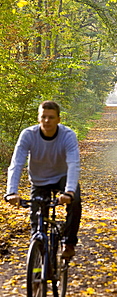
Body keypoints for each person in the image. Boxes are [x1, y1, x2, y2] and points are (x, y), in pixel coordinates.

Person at [4, 100, 81, 259]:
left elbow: (73, 164)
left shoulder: (67, 135)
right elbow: (16, 163)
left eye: (51, 117)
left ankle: (69, 242)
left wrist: (69, 192)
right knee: (37, 222)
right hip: (39, 180)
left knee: (75, 202)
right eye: (43, 117)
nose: (47, 121)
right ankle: (38, 264)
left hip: (62, 177)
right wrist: (11, 192)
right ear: (38, 118)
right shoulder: (28, 135)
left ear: (59, 119)